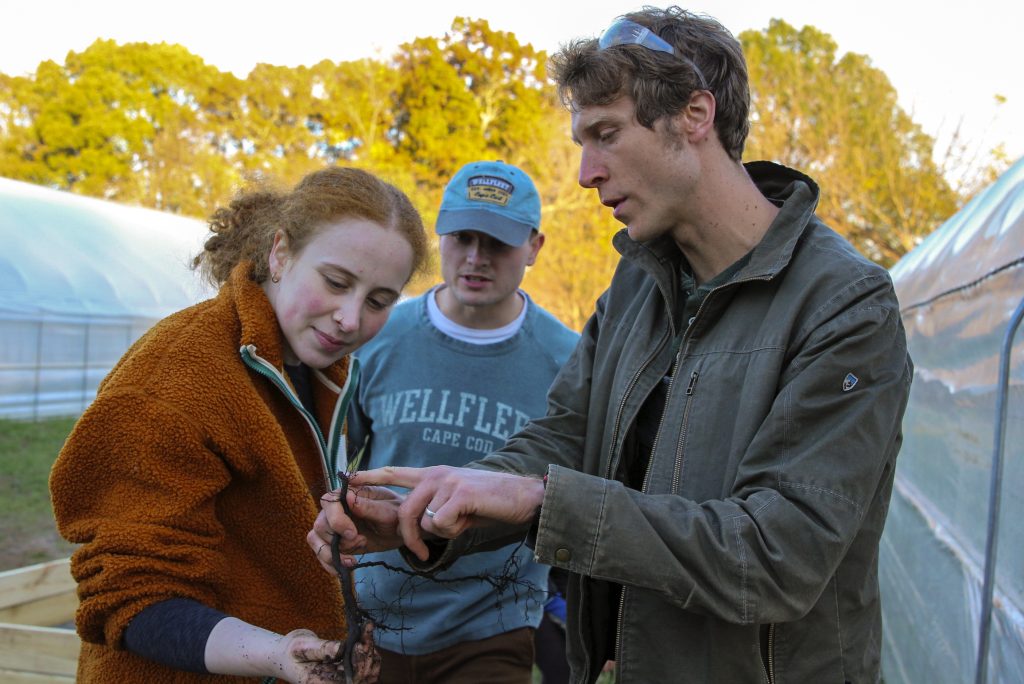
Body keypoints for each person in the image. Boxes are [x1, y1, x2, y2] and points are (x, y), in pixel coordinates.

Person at [311, 6, 913, 684]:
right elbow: (565, 439)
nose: (584, 173)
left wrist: (545, 502)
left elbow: (778, 555)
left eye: (606, 134)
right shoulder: (638, 283)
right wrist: (430, 512)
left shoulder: (845, 307)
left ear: (693, 115)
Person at [49, 165, 429, 683]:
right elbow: (131, 592)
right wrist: (277, 653)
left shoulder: (320, 368)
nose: (349, 317)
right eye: (336, 282)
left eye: (379, 301)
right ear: (280, 253)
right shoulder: (174, 379)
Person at [344, 160, 578, 684]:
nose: (476, 258)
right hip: (375, 617)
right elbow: (340, 462)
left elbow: (573, 493)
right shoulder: (378, 336)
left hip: (492, 624)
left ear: (534, 248)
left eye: (496, 243)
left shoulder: (569, 362)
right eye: (462, 238)